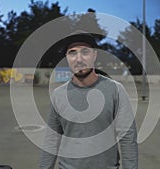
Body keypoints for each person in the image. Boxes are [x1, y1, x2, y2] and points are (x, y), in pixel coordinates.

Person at [39, 32, 138, 169]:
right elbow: (51, 140)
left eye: (85, 52)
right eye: (72, 53)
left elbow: (128, 138)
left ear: (94, 55)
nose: (79, 59)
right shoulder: (58, 95)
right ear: (67, 58)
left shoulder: (115, 90)